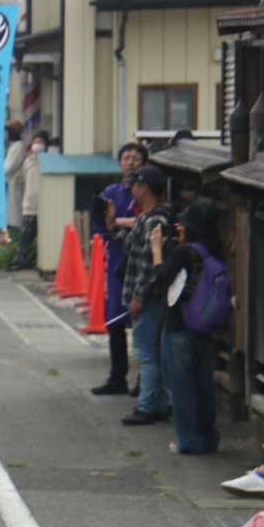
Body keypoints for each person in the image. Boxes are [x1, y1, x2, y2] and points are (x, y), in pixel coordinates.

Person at [149, 200, 222, 454]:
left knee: (181, 387)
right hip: (203, 325)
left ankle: (189, 441)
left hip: (179, 326)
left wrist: (156, 249)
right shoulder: (213, 249)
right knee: (202, 385)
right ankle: (208, 438)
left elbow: (161, 279)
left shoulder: (184, 253)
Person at [106, 164, 174, 426]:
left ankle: (147, 406)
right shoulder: (150, 217)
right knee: (152, 352)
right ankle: (156, 403)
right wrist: (112, 224)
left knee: (146, 352)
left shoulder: (154, 220)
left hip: (149, 298)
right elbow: (131, 247)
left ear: (144, 187)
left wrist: (138, 297)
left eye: (134, 184)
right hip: (152, 297)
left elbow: (146, 263)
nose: (130, 188)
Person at [90, 142, 146, 396]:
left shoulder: (146, 193)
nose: (131, 162)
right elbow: (100, 223)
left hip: (141, 263)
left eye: (136, 158)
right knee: (114, 321)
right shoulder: (110, 191)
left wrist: (116, 222)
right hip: (115, 264)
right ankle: (117, 377)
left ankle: (145, 381)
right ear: (119, 163)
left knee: (143, 322)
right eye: (126, 158)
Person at [8, 130, 49, 271]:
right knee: (25, 236)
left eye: (41, 142)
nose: (37, 145)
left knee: (44, 238)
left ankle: (41, 262)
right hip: (29, 205)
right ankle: (19, 261)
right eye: (35, 142)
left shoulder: (49, 160)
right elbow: (25, 180)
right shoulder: (28, 161)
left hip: (45, 207)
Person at [3, 120, 26, 231]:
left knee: (14, 213)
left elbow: (7, 168)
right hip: (10, 183)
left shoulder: (18, 147)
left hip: (13, 183)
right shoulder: (14, 146)